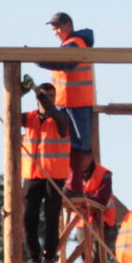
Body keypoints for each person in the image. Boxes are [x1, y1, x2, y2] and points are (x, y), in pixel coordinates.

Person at [18, 81, 74, 263]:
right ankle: (34, 258)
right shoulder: (30, 117)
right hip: (32, 175)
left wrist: (37, 91)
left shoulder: (62, 119)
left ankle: (49, 258)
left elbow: (53, 111)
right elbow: (11, 114)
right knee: (29, 218)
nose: (49, 100)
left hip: (54, 176)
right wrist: (21, 93)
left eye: (52, 96)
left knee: (51, 219)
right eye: (45, 96)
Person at [40, 12, 96, 164]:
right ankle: (70, 182)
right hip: (67, 103)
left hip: (76, 104)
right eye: (53, 29)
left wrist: (39, 59)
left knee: (77, 147)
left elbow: (65, 63)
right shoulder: (69, 44)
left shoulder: (75, 43)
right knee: (68, 145)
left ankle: (75, 184)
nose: (55, 32)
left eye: (58, 28)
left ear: (69, 26)